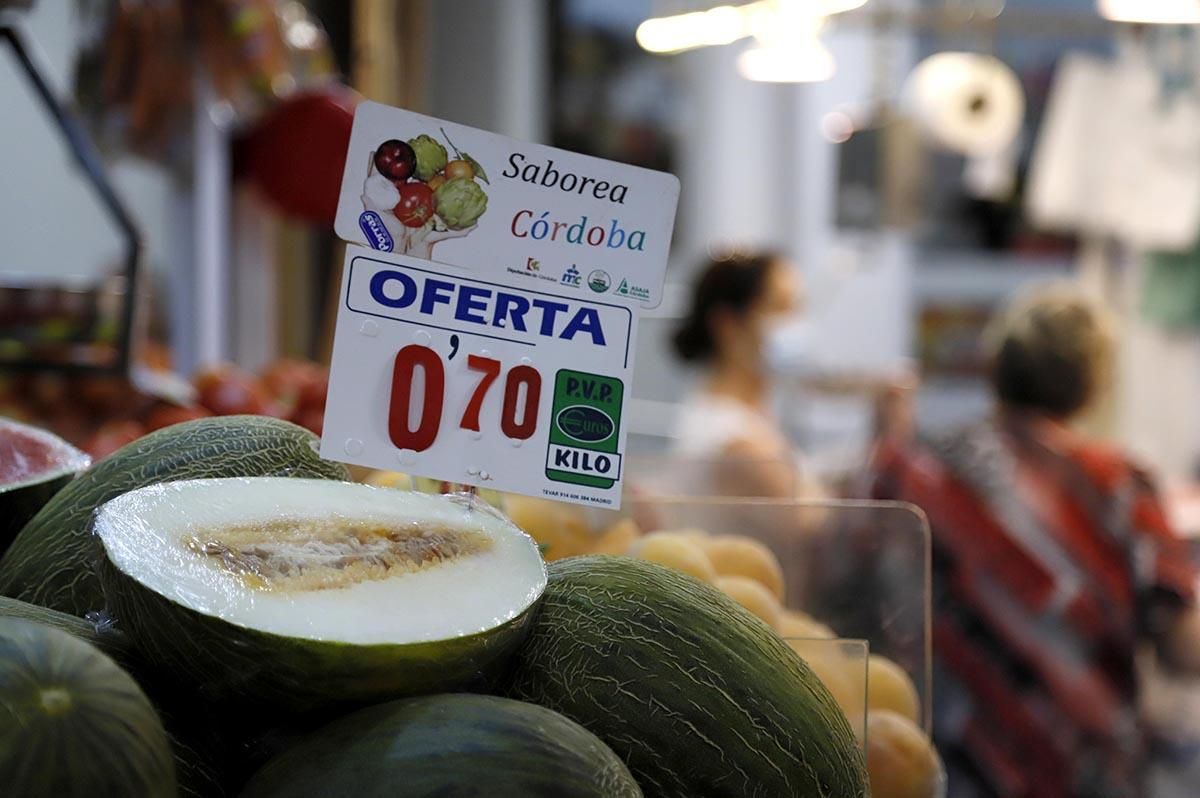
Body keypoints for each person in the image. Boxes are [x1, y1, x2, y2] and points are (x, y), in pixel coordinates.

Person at [871, 284, 1200, 798]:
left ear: (997, 367)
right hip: (1081, 769)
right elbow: (1183, 646)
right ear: (1093, 382)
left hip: (942, 761)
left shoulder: (919, 467)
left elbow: (851, 585)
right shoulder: (1117, 484)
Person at [669, 251, 812, 499]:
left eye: (797, 308)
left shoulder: (748, 418)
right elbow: (817, 526)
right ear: (729, 325)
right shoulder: (738, 445)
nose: (796, 324)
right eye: (781, 308)